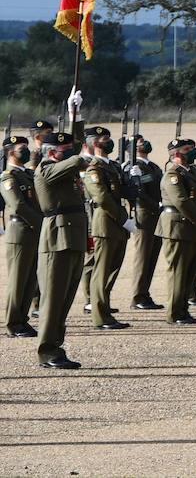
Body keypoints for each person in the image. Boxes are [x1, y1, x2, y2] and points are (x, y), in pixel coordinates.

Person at [33, 90, 90, 369]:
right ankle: (47, 351)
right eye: (63, 149)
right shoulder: (45, 169)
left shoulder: (63, 166)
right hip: (57, 237)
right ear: (52, 152)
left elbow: (75, 149)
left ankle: (56, 346)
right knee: (53, 299)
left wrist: (74, 116)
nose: (70, 150)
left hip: (73, 236)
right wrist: (81, 154)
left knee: (65, 299)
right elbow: (78, 157)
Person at [81, 125, 132, 329]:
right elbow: (102, 197)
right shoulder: (93, 169)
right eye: (104, 139)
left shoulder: (113, 166)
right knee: (101, 271)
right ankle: (100, 316)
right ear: (94, 144)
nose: (108, 142)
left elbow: (123, 192)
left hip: (117, 222)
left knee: (112, 269)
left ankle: (105, 309)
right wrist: (123, 219)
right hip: (105, 221)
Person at [159, 137, 196, 325]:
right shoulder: (173, 175)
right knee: (178, 272)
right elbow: (181, 201)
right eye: (188, 149)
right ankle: (174, 313)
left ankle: (183, 310)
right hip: (178, 227)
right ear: (177, 154)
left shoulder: (192, 172)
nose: (192, 151)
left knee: (189, 271)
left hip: (192, 226)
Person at [3, 135, 40, 338]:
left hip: (33, 231)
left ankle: (22, 319)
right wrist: (42, 223)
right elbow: (18, 205)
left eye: (26, 146)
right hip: (20, 232)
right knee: (18, 280)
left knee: (31, 279)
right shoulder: (8, 177)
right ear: (10, 152)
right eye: (21, 148)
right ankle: (13, 323)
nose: (25, 150)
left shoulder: (28, 174)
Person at [126, 136, 164, 309]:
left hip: (156, 215)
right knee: (142, 256)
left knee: (152, 255)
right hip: (143, 215)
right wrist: (157, 204)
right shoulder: (132, 167)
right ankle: (137, 296)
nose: (145, 143)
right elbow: (137, 193)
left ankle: (145, 293)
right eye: (140, 143)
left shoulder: (153, 166)